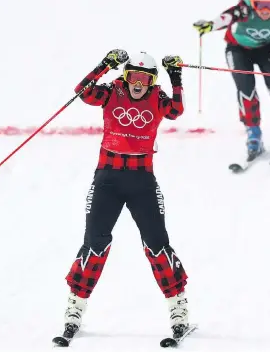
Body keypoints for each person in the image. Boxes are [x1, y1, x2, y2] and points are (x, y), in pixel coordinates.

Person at [57, 50, 190, 341]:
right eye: (133, 76)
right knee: (95, 243)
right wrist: (105, 65)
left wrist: (176, 77)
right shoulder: (112, 92)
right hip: (107, 179)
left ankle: (178, 307)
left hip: (142, 180)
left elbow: (176, 111)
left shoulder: (158, 97)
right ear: (125, 76)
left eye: (145, 78)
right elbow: (83, 91)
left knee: (156, 244)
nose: (138, 83)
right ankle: (75, 307)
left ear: (152, 81)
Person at [193, 0, 270, 159]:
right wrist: (211, 25)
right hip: (238, 50)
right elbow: (227, 17)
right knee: (246, 89)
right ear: (252, 2)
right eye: (259, 5)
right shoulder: (245, 8)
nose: (265, 10)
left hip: (268, 49)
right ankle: (254, 134)